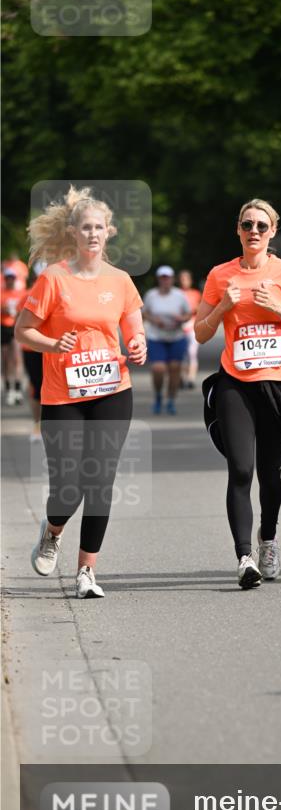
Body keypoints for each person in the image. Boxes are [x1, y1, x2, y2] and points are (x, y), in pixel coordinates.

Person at [15, 185, 146, 598]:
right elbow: (23, 331)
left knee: (101, 480)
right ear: (73, 232)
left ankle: (86, 571)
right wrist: (53, 345)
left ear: (109, 232)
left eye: (99, 228)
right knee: (69, 485)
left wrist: (138, 344)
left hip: (112, 389)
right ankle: (52, 531)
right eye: (85, 227)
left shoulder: (121, 280)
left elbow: (134, 329)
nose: (93, 234)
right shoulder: (55, 278)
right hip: (63, 395)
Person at [194, 198, 281, 589]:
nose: (254, 231)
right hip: (235, 383)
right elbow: (200, 332)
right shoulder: (220, 275)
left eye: (261, 226)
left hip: (277, 386)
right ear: (238, 230)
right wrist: (222, 308)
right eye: (247, 225)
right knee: (241, 470)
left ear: (272, 232)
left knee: (270, 471)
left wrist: (279, 308)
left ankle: (269, 540)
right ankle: (244, 557)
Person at [143, 266, 191, 414]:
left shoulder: (179, 295)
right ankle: (158, 395)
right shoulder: (151, 295)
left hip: (176, 336)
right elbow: (144, 313)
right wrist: (154, 320)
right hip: (156, 337)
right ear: (158, 279)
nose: (165, 280)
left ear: (172, 279)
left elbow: (188, 314)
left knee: (175, 369)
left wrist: (180, 319)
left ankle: (171, 399)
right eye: (162, 277)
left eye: (168, 277)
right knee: (158, 369)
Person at [18, 260, 48, 440]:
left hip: (55, 348)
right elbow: (20, 326)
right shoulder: (27, 296)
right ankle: (37, 426)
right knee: (37, 387)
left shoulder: (62, 292)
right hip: (32, 349)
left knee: (56, 387)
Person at [1, 266, 26, 405]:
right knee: (5, 360)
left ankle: (17, 390)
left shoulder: (20, 293)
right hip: (3, 327)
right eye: (8, 278)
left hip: (15, 327)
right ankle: (8, 389)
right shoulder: (1, 292)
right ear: (5, 279)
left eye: (12, 278)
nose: (10, 280)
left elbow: (24, 310)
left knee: (17, 358)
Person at [177, 268, 202, 389]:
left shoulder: (196, 294)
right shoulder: (175, 293)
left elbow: (201, 309)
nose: (184, 281)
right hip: (178, 327)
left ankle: (191, 379)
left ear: (190, 281)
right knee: (180, 354)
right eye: (182, 279)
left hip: (192, 326)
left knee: (192, 353)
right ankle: (181, 377)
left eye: (186, 279)